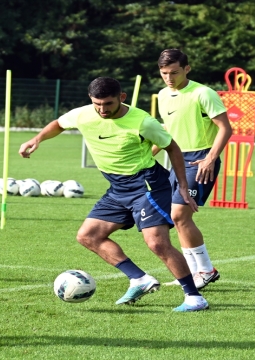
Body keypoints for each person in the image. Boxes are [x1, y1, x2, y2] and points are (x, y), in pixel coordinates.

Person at [19, 77, 209, 312]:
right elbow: (59, 123)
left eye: (108, 104)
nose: (102, 110)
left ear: (121, 98)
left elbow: (173, 148)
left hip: (147, 185)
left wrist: (181, 185)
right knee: (88, 236)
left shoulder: (143, 122)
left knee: (157, 243)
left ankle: (194, 297)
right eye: (97, 104)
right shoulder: (83, 114)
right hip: (118, 188)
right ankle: (140, 279)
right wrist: (37, 139)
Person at [155, 49, 231, 290]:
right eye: (164, 73)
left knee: (179, 215)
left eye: (174, 72)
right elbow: (167, 129)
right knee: (176, 218)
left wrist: (210, 158)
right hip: (177, 159)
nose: (169, 77)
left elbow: (225, 128)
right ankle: (193, 273)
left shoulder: (203, 93)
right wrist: (148, 153)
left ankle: (206, 270)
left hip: (200, 159)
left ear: (187, 69)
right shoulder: (162, 95)